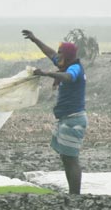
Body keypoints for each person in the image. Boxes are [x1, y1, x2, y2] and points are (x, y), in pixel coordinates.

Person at [22, 29, 87, 194]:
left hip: (73, 121)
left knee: (71, 159)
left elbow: (68, 77)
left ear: (68, 56)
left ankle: (75, 196)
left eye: (60, 54)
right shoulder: (66, 64)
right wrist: (35, 39)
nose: (57, 56)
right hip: (65, 119)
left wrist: (46, 73)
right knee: (66, 158)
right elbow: (50, 53)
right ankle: (73, 194)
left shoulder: (75, 68)